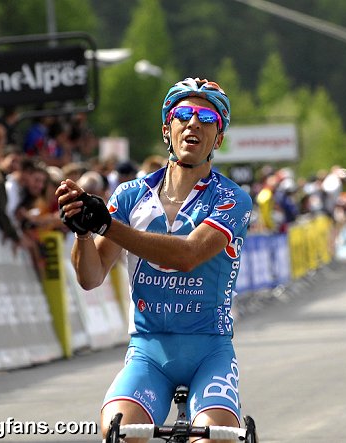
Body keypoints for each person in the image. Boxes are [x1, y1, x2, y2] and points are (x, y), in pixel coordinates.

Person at [58, 78, 253, 442]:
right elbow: (90, 276)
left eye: (207, 117)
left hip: (209, 350)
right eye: (183, 114)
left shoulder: (232, 199)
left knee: (215, 439)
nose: (194, 123)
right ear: (168, 128)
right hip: (149, 352)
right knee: (118, 430)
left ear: (219, 138)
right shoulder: (130, 196)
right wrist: (83, 232)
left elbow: (187, 255)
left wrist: (106, 224)